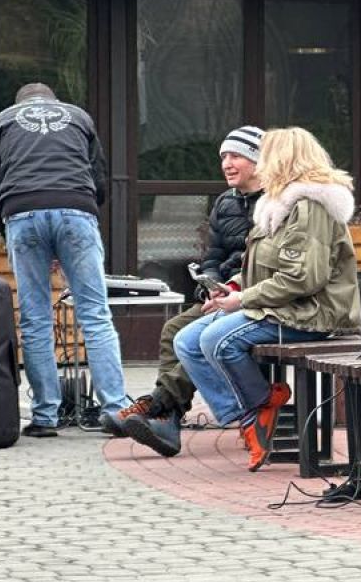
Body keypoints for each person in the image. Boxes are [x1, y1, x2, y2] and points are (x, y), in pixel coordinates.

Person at [174, 127, 361, 471]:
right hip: (278, 305)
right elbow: (259, 267)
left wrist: (244, 299)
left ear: (284, 160)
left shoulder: (310, 207)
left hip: (310, 313)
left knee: (215, 339)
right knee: (185, 340)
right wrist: (230, 289)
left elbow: (304, 278)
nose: (260, 164)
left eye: (266, 156)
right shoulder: (277, 205)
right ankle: (254, 410)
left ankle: (256, 411)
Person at [0, 82, 129, 437]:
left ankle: (46, 416)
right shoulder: (79, 117)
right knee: (95, 314)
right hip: (76, 209)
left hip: (22, 211)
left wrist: (15, 235)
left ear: (20, 103)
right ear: (53, 101)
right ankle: (116, 411)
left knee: (35, 319)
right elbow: (99, 180)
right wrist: (79, 221)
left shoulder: (1, 121)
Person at [112, 126, 265, 457]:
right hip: (223, 295)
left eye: (236, 156)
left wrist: (235, 290)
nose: (226, 163)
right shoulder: (225, 203)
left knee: (194, 340)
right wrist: (209, 285)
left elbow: (269, 265)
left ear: (257, 160)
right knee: (173, 330)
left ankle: (159, 407)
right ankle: (168, 419)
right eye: (223, 156)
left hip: (256, 297)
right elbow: (211, 257)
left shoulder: (276, 202)